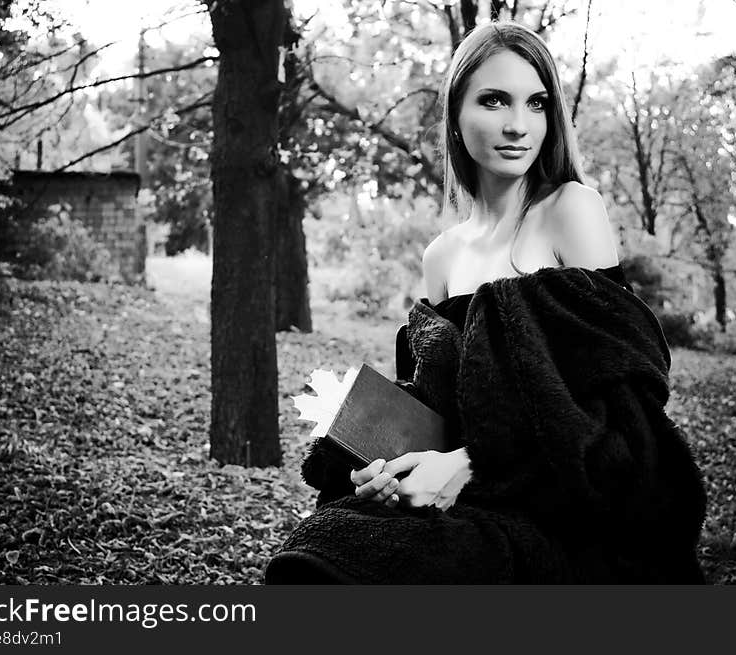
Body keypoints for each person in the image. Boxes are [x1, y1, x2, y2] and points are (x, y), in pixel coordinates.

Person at [265, 21, 706, 584]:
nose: (518, 125)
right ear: (455, 114)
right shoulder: (441, 257)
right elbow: (435, 414)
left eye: (537, 103)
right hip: (454, 502)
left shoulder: (572, 210)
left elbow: (622, 421)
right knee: (317, 552)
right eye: (494, 100)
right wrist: (386, 468)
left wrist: (470, 466)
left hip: (557, 509)